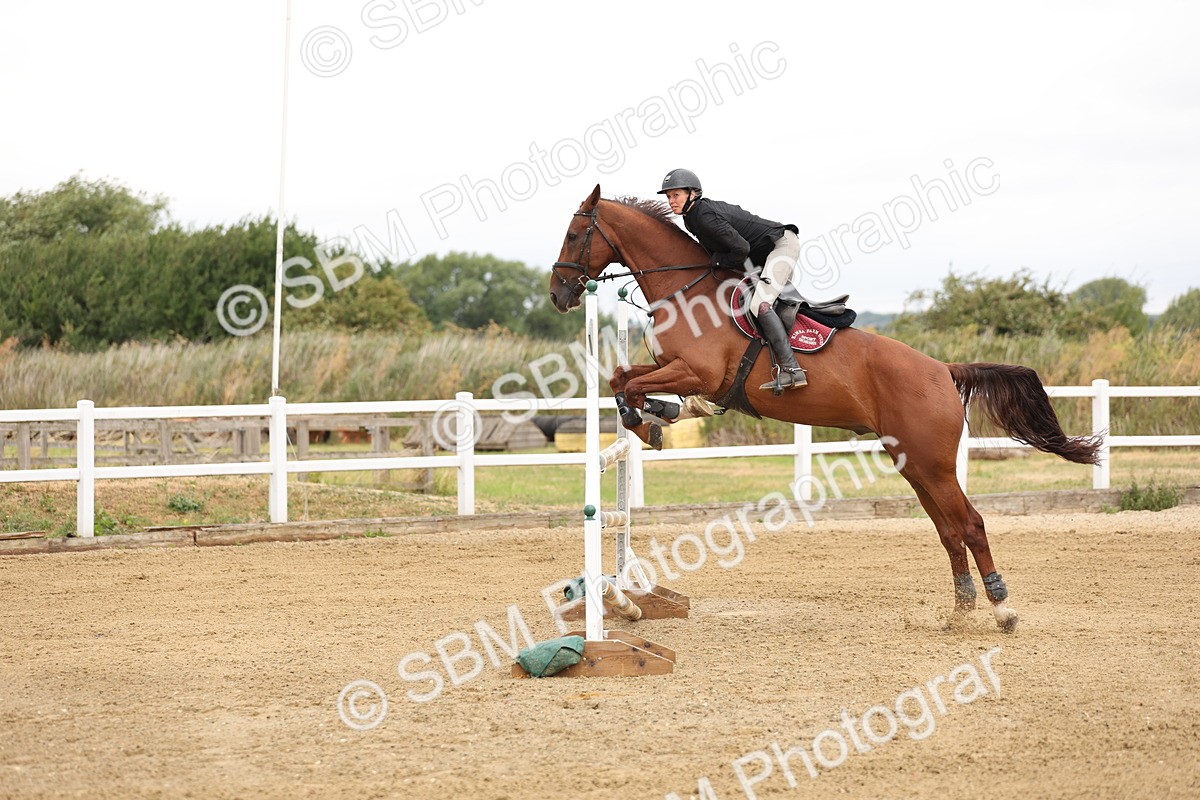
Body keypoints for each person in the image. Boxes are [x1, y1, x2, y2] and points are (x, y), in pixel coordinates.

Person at [657, 168, 806, 391]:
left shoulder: (704, 216)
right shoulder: (691, 218)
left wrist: (717, 262)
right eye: (669, 196)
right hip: (758, 258)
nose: (671, 201)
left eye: (675, 195)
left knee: (759, 304)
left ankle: (791, 369)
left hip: (780, 246)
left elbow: (741, 248)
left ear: (692, 193)